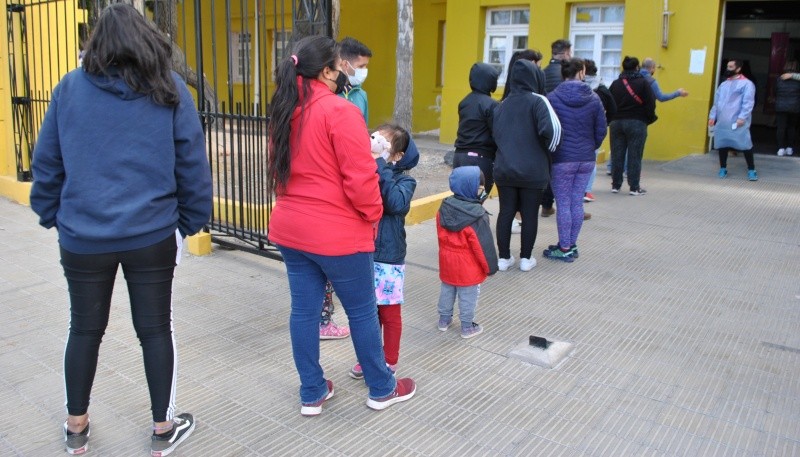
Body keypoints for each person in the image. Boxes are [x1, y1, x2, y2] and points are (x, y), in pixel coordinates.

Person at [29, 4, 211, 455]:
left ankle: (76, 428)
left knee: (84, 329)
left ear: (97, 44)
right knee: (155, 329)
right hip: (151, 234)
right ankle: (163, 429)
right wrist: (189, 222)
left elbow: (47, 161)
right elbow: (192, 162)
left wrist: (52, 213)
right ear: (146, 39)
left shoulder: (69, 89)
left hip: (82, 237)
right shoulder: (169, 89)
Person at [267, 35, 415, 416]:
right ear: (328, 70)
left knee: (303, 311)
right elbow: (361, 178)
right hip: (336, 234)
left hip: (291, 229)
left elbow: (281, 171)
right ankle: (382, 387)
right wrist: (371, 217)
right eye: (341, 65)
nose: (349, 71)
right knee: (364, 312)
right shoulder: (340, 111)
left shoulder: (284, 109)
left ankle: (312, 391)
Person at [349, 123, 418, 379]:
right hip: (363, 252)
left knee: (388, 313)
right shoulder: (364, 171)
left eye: (385, 144)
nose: (376, 144)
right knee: (367, 312)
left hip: (388, 256)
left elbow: (395, 204)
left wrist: (380, 165)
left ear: (397, 156)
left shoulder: (405, 180)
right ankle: (367, 358)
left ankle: (388, 361)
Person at [318, 36, 374, 340]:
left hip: (350, 182)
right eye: (360, 66)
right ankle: (323, 319)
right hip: (333, 190)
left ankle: (324, 316)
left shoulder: (360, 95)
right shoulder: (326, 98)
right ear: (343, 63)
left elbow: (360, 140)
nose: (362, 71)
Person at [492, 59, 562, 272]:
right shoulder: (538, 100)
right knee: (530, 214)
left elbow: (496, 135)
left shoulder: (502, 104)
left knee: (506, 212)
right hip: (532, 170)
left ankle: (503, 258)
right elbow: (554, 132)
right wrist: (545, 153)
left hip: (504, 169)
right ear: (534, 76)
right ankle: (525, 259)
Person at [544, 58, 607, 262]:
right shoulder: (595, 98)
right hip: (586, 159)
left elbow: (548, 129)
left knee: (563, 203)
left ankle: (564, 248)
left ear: (563, 73)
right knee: (576, 202)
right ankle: (570, 244)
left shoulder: (551, 98)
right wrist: (591, 147)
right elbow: (601, 130)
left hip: (561, 159)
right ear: (582, 72)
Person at [436, 166, 498, 338]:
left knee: (447, 290)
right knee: (468, 296)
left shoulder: (443, 208)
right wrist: (491, 267)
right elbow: (483, 246)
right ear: (471, 188)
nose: (482, 190)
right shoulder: (477, 216)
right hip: (468, 266)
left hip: (447, 261)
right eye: (480, 187)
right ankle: (467, 326)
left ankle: (443, 320)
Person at [499, 49, 546, 233]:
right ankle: (516, 221)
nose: (539, 72)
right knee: (525, 208)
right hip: (527, 162)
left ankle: (514, 220)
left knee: (510, 205)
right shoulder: (536, 100)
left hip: (509, 162)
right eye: (537, 66)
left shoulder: (508, 101)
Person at [608, 56, 657, 195]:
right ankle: (634, 187)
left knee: (617, 154)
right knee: (635, 155)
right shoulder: (643, 83)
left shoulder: (616, 83)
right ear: (637, 68)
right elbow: (650, 103)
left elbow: (610, 102)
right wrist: (648, 119)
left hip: (617, 123)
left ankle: (615, 185)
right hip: (637, 122)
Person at [541, 39, 578, 219]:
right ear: (565, 53)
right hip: (564, 127)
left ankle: (546, 205)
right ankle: (568, 208)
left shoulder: (543, 73)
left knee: (549, 167)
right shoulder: (566, 75)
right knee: (564, 171)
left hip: (545, 127)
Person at [453, 63, 499, 194]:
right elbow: (496, 133)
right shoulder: (491, 105)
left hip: (459, 156)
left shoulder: (464, 102)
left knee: (462, 197)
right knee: (478, 198)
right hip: (479, 158)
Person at [708, 59, 757, 181]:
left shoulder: (747, 84)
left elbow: (748, 102)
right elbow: (717, 102)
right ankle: (723, 168)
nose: (727, 69)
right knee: (722, 144)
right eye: (727, 66)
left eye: (730, 67)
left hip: (737, 121)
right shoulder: (724, 84)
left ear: (738, 68)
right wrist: (712, 117)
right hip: (723, 121)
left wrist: (742, 117)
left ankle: (751, 169)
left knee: (745, 144)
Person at [583, 59, 616, 202]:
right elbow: (613, 109)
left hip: (577, 129)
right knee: (591, 159)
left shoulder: (576, 86)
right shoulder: (602, 89)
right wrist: (605, 123)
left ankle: (578, 189)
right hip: (594, 130)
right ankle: (587, 191)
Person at [339, 36, 372, 124]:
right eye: (361, 66)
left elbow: (363, 128)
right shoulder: (329, 93)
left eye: (366, 66)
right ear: (345, 64)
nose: (364, 70)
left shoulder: (362, 94)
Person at [775, 60, 800, 156]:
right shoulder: (797, 81)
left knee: (781, 128)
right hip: (795, 106)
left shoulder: (779, 79)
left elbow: (776, 91)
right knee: (792, 127)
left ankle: (780, 148)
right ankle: (790, 148)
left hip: (781, 106)